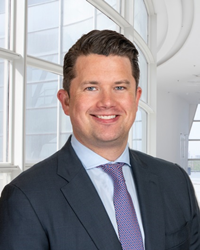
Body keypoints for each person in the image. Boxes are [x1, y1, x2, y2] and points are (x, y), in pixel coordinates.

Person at [0, 30, 199, 250]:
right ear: (65, 101)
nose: (107, 102)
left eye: (120, 87)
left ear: (136, 98)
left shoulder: (175, 181)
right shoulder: (26, 197)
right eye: (91, 88)